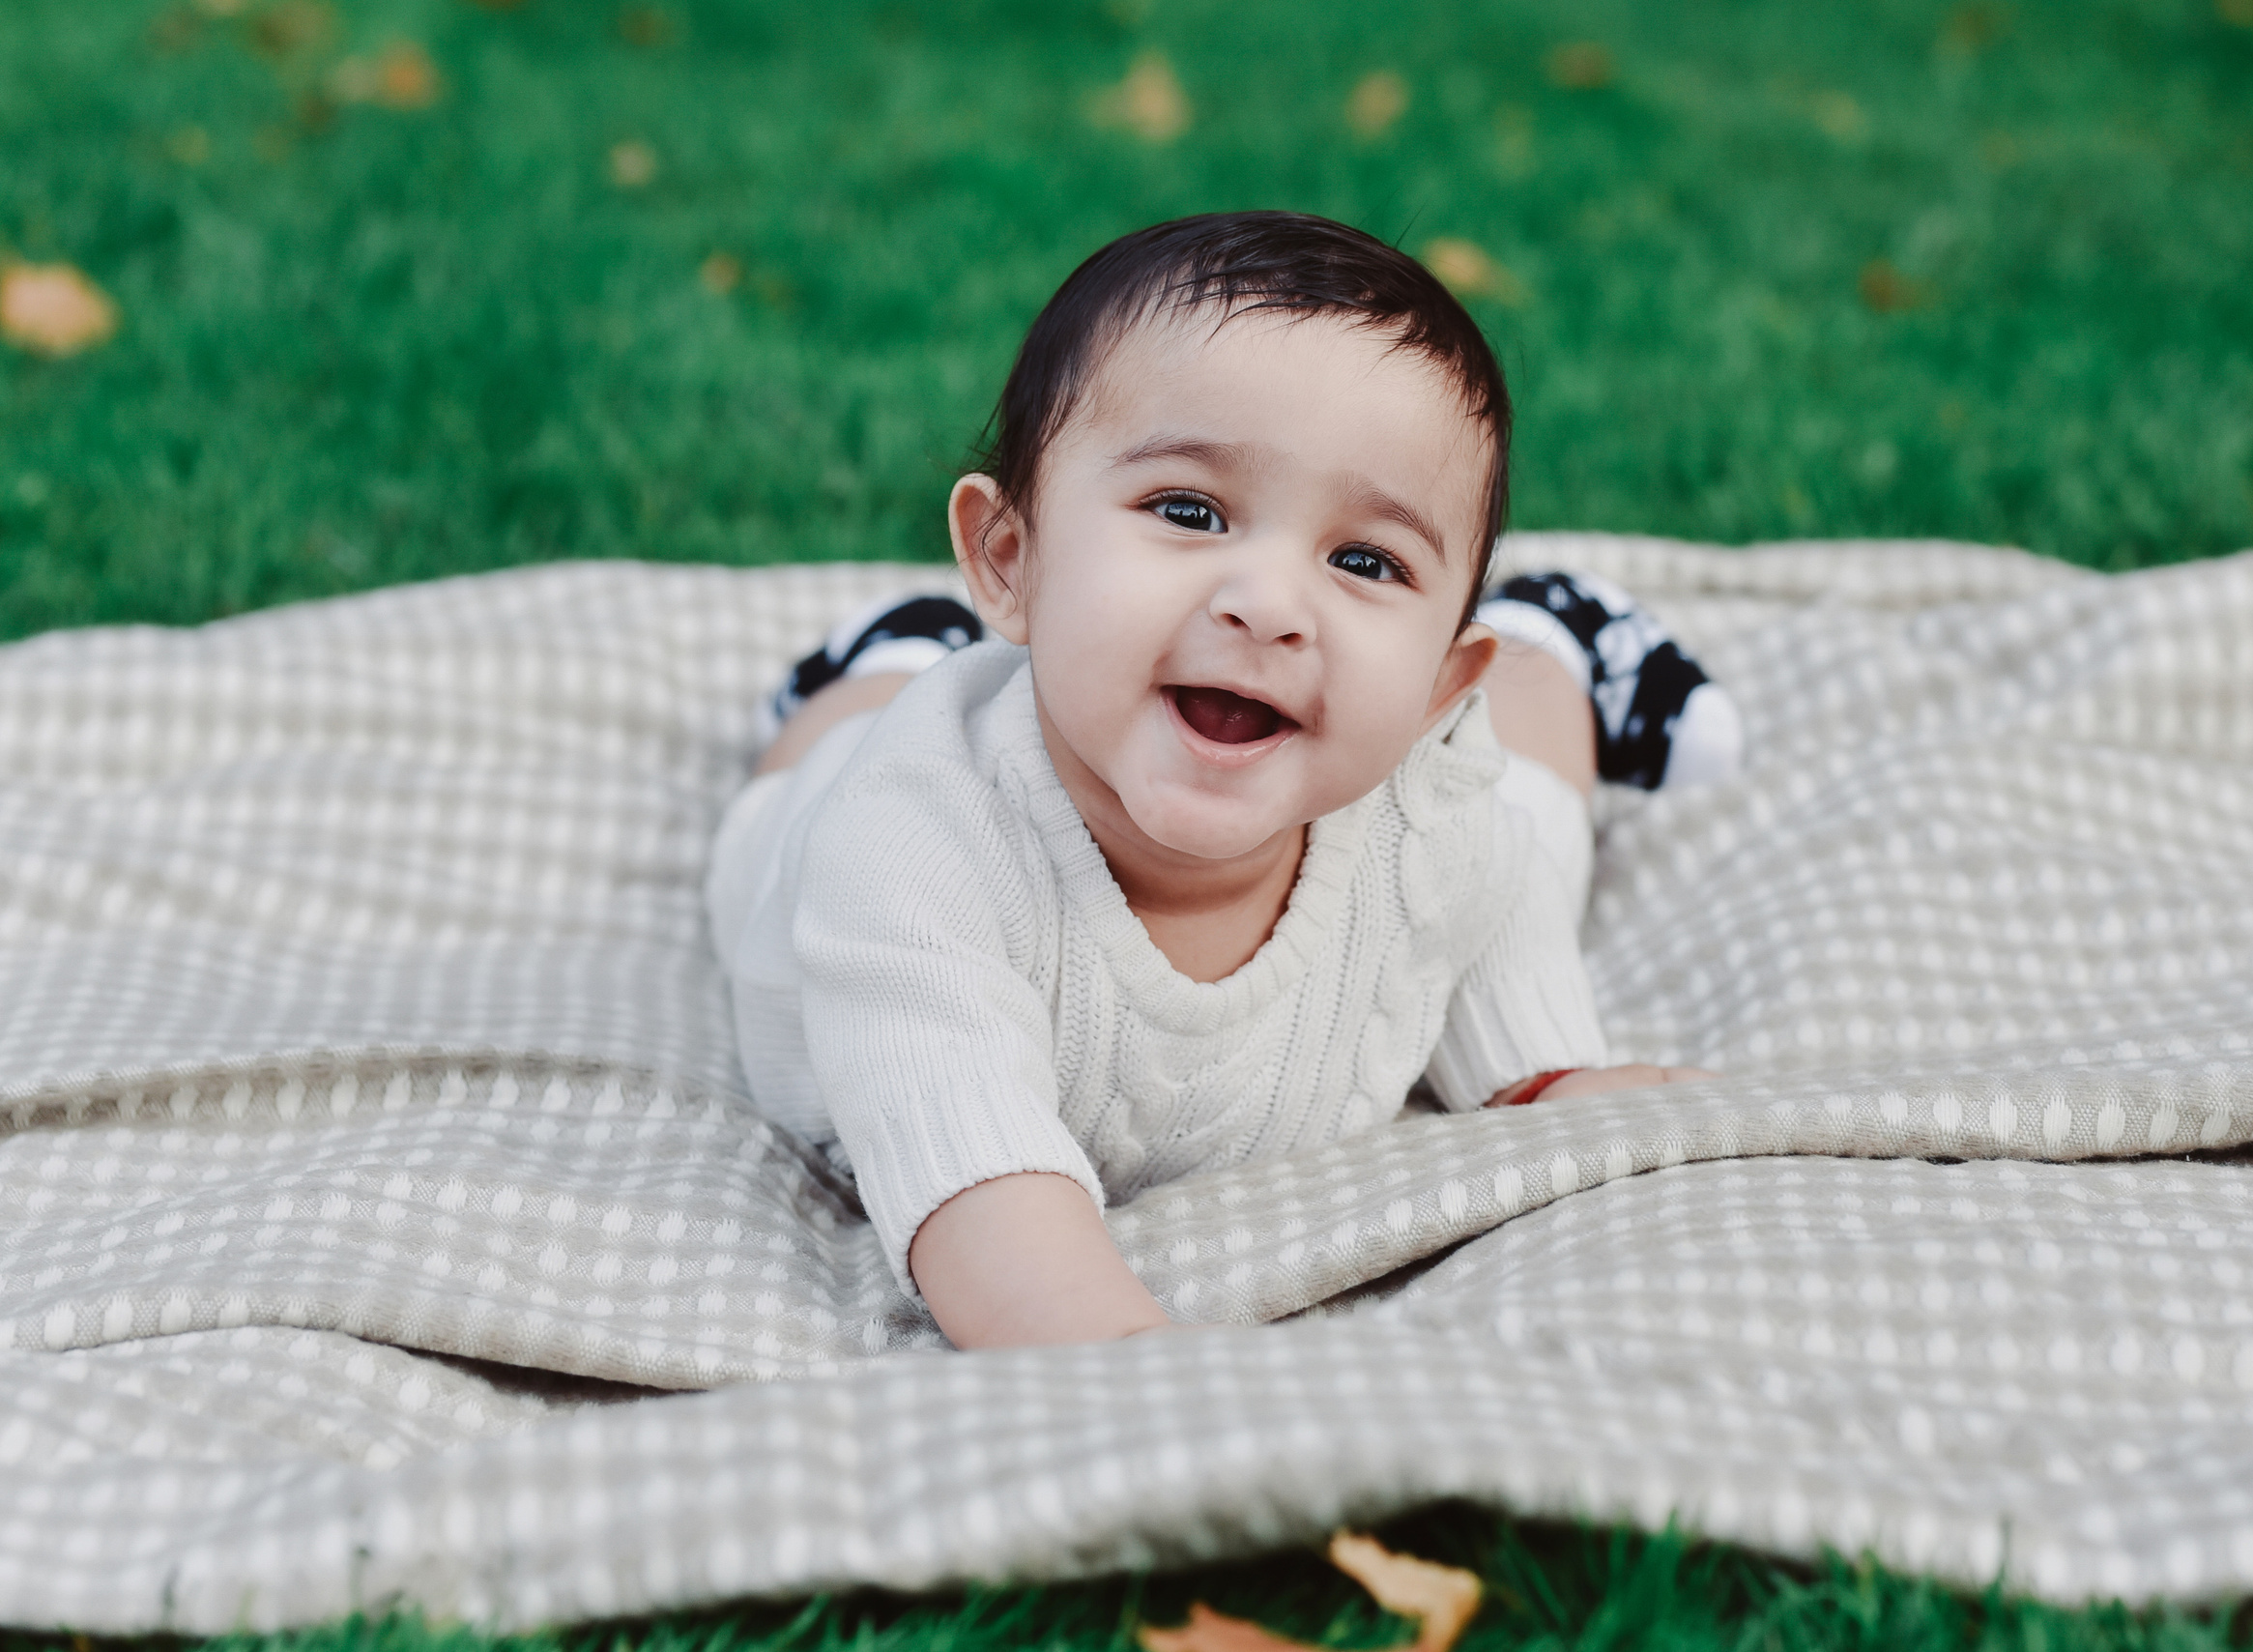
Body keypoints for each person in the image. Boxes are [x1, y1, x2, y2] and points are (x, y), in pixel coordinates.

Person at [704, 212, 1743, 1350]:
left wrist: (1545, 1074)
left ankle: (1564, 642)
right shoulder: (909, 850)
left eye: (1365, 561)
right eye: (1188, 511)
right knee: (835, 733)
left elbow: (1490, 903)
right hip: (820, 820)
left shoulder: (1425, 794)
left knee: (1535, 777)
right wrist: (1146, 1383)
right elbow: (986, 1203)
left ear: (1443, 686)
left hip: (1326, 700)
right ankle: (892, 651)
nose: (1267, 602)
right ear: (1010, 557)